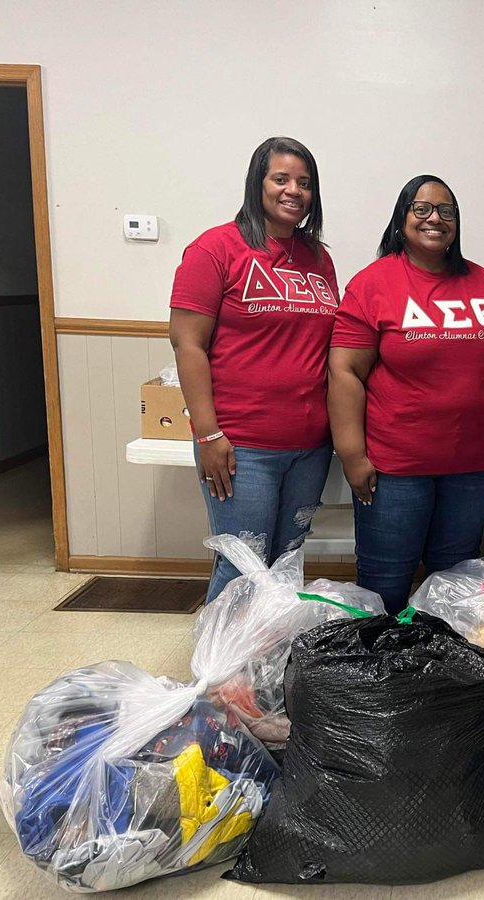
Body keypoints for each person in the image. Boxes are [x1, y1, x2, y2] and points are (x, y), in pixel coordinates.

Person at [328, 174, 484, 612]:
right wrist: (352, 455)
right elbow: (344, 370)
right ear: (402, 219)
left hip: (469, 469)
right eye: (422, 209)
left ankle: (442, 677)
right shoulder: (374, 283)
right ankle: (381, 676)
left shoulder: (483, 281)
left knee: (455, 587)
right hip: (396, 468)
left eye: (446, 211)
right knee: (386, 586)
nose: (435, 218)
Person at [169, 136, 339, 603]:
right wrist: (207, 434)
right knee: (244, 564)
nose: (293, 191)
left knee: (286, 561)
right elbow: (188, 343)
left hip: (310, 445)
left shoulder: (319, 259)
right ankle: (220, 672)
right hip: (242, 445)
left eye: (304, 183)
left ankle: (264, 666)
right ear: (257, 183)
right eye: (280, 178)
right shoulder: (215, 248)